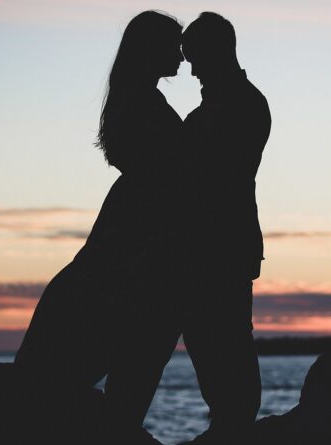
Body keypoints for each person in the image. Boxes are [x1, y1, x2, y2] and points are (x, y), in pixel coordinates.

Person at [13, 10, 184, 445]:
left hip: (131, 222)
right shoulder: (145, 104)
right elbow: (166, 174)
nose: (181, 54)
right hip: (141, 232)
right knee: (134, 357)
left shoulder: (136, 98)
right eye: (173, 44)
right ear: (151, 50)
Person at [103, 11, 272, 445]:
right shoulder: (209, 109)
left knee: (224, 381)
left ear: (219, 52)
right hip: (182, 260)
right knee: (148, 368)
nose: (189, 67)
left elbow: (205, 186)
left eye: (195, 57)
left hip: (210, 260)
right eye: (184, 55)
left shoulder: (235, 107)